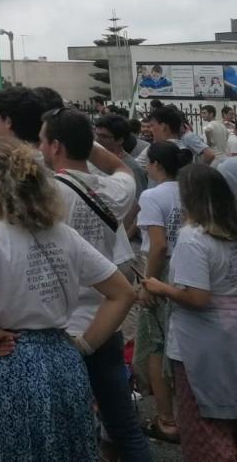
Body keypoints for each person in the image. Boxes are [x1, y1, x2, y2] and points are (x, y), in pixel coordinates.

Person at [0, 138, 134, 461]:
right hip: (62, 357)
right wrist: (86, 345)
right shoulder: (63, 234)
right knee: (66, 447)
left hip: (9, 356)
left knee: (9, 448)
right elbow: (123, 292)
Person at [38, 110, 150, 461]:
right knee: (123, 425)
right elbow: (123, 168)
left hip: (61, 322)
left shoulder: (46, 194)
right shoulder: (116, 189)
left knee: (65, 427)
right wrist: (89, 142)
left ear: (55, 146)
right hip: (106, 315)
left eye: (44, 140)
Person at [141, 163, 237, 459]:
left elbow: (197, 296)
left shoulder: (193, 237)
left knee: (202, 421)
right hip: (228, 333)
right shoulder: (229, 233)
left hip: (200, 342)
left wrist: (158, 286)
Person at [135, 140, 184, 443]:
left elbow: (159, 244)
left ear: (156, 165)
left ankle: (166, 418)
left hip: (160, 270)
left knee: (155, 343)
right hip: (189, 269)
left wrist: (147, 283)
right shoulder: (191, 189)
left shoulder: (153, 195)